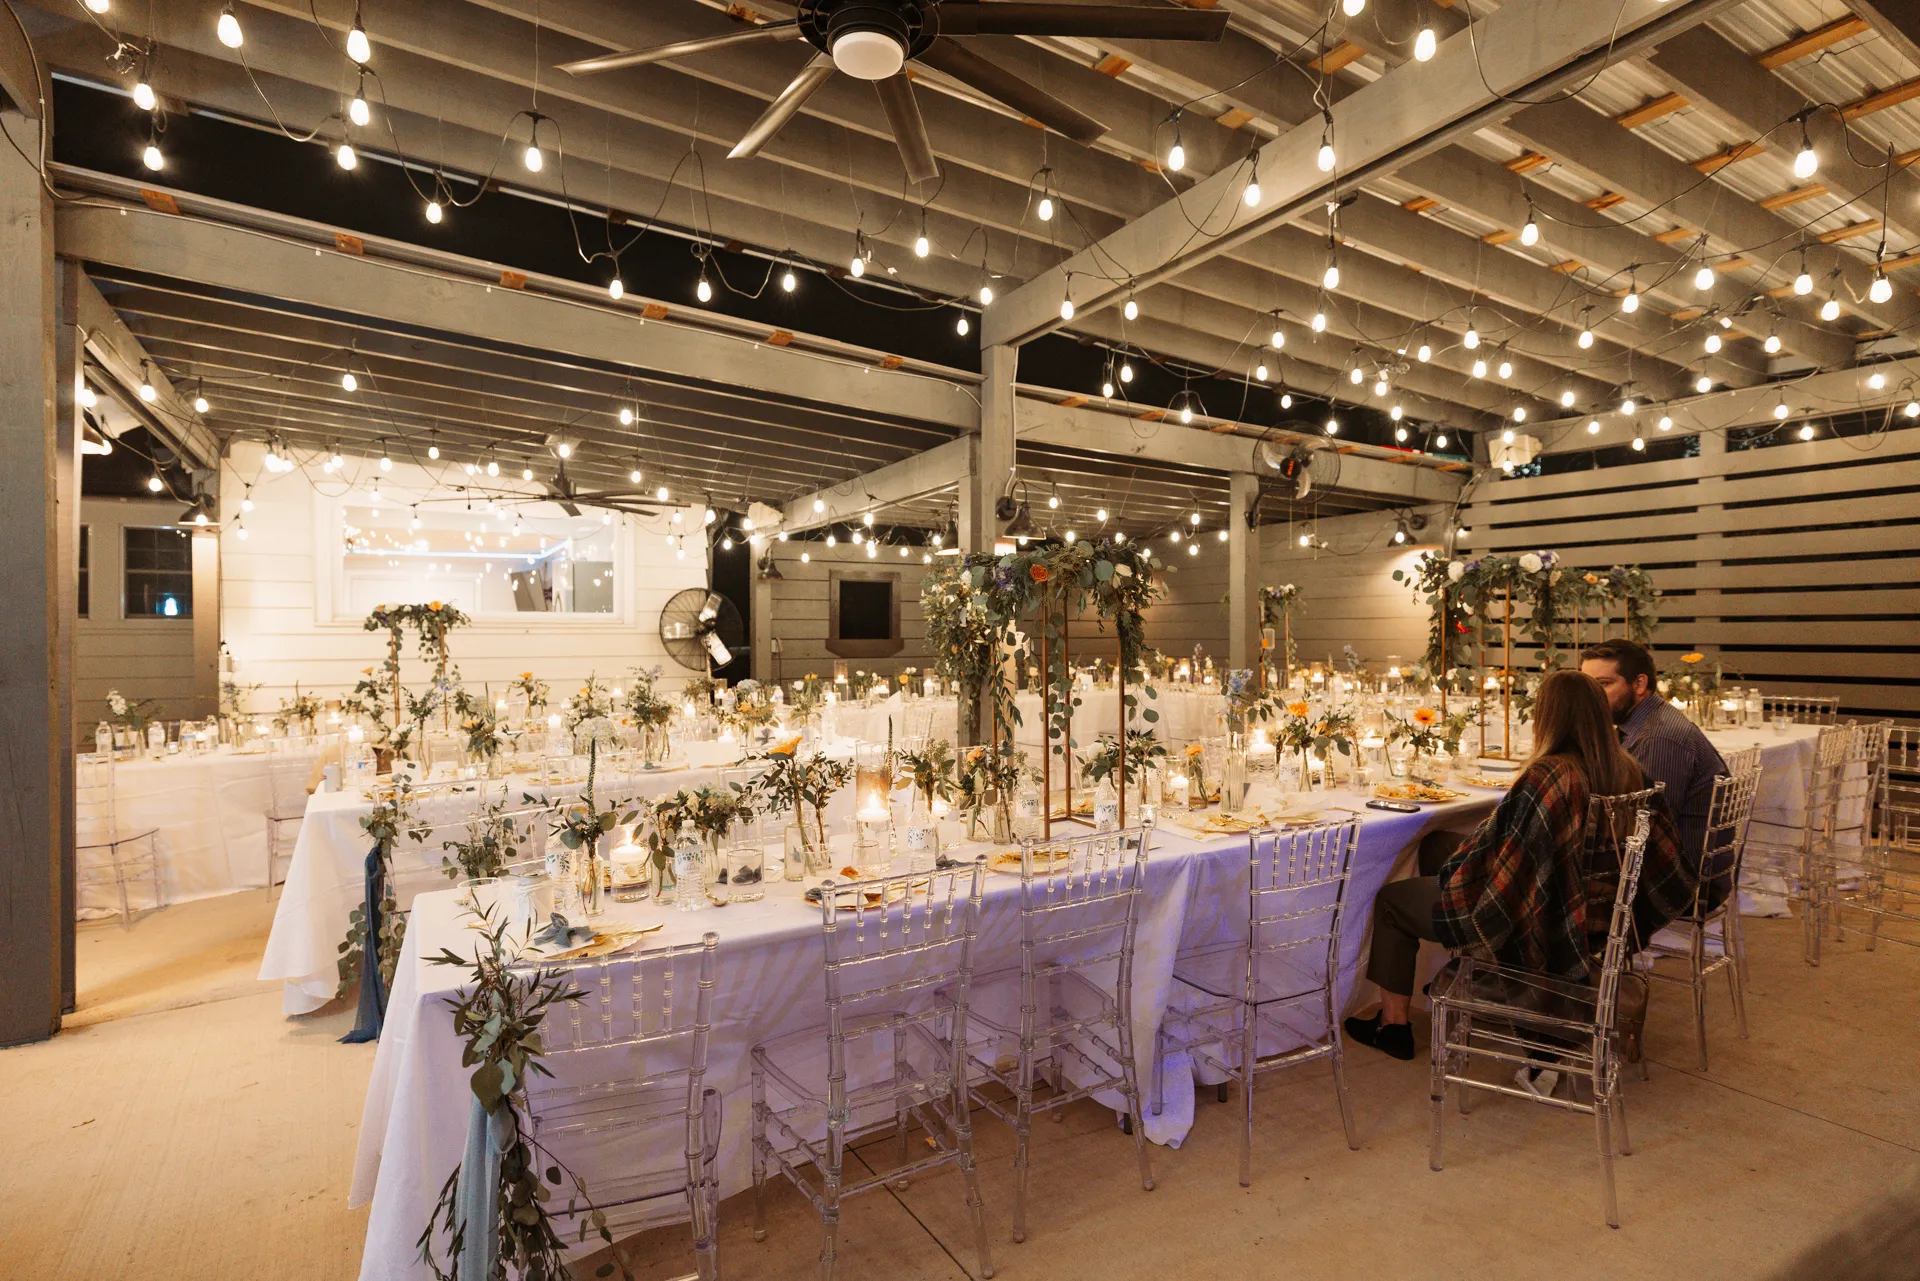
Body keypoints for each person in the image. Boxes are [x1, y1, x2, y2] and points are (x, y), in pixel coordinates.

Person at [1345, 670, 1690, 1070]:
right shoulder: (1628, 768)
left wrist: (1468, 870)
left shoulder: (1551, 774)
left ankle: (1393, 1025)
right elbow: (1517, 847)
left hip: (1545, 913)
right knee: (1437, 844)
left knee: (1392, 900)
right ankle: (1470, 967)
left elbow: (1515, 859)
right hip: (1597, 905)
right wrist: (1472, 856)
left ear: (1548, 717)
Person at [1579, 639, 1728, 896]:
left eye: (1603, 684)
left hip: (1684, 882)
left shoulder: (1657, 738)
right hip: (1675, 867)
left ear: (1639, 684)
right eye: (1588, 686)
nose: (1593, 696)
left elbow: (1643, 829)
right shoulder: (1646, 723)